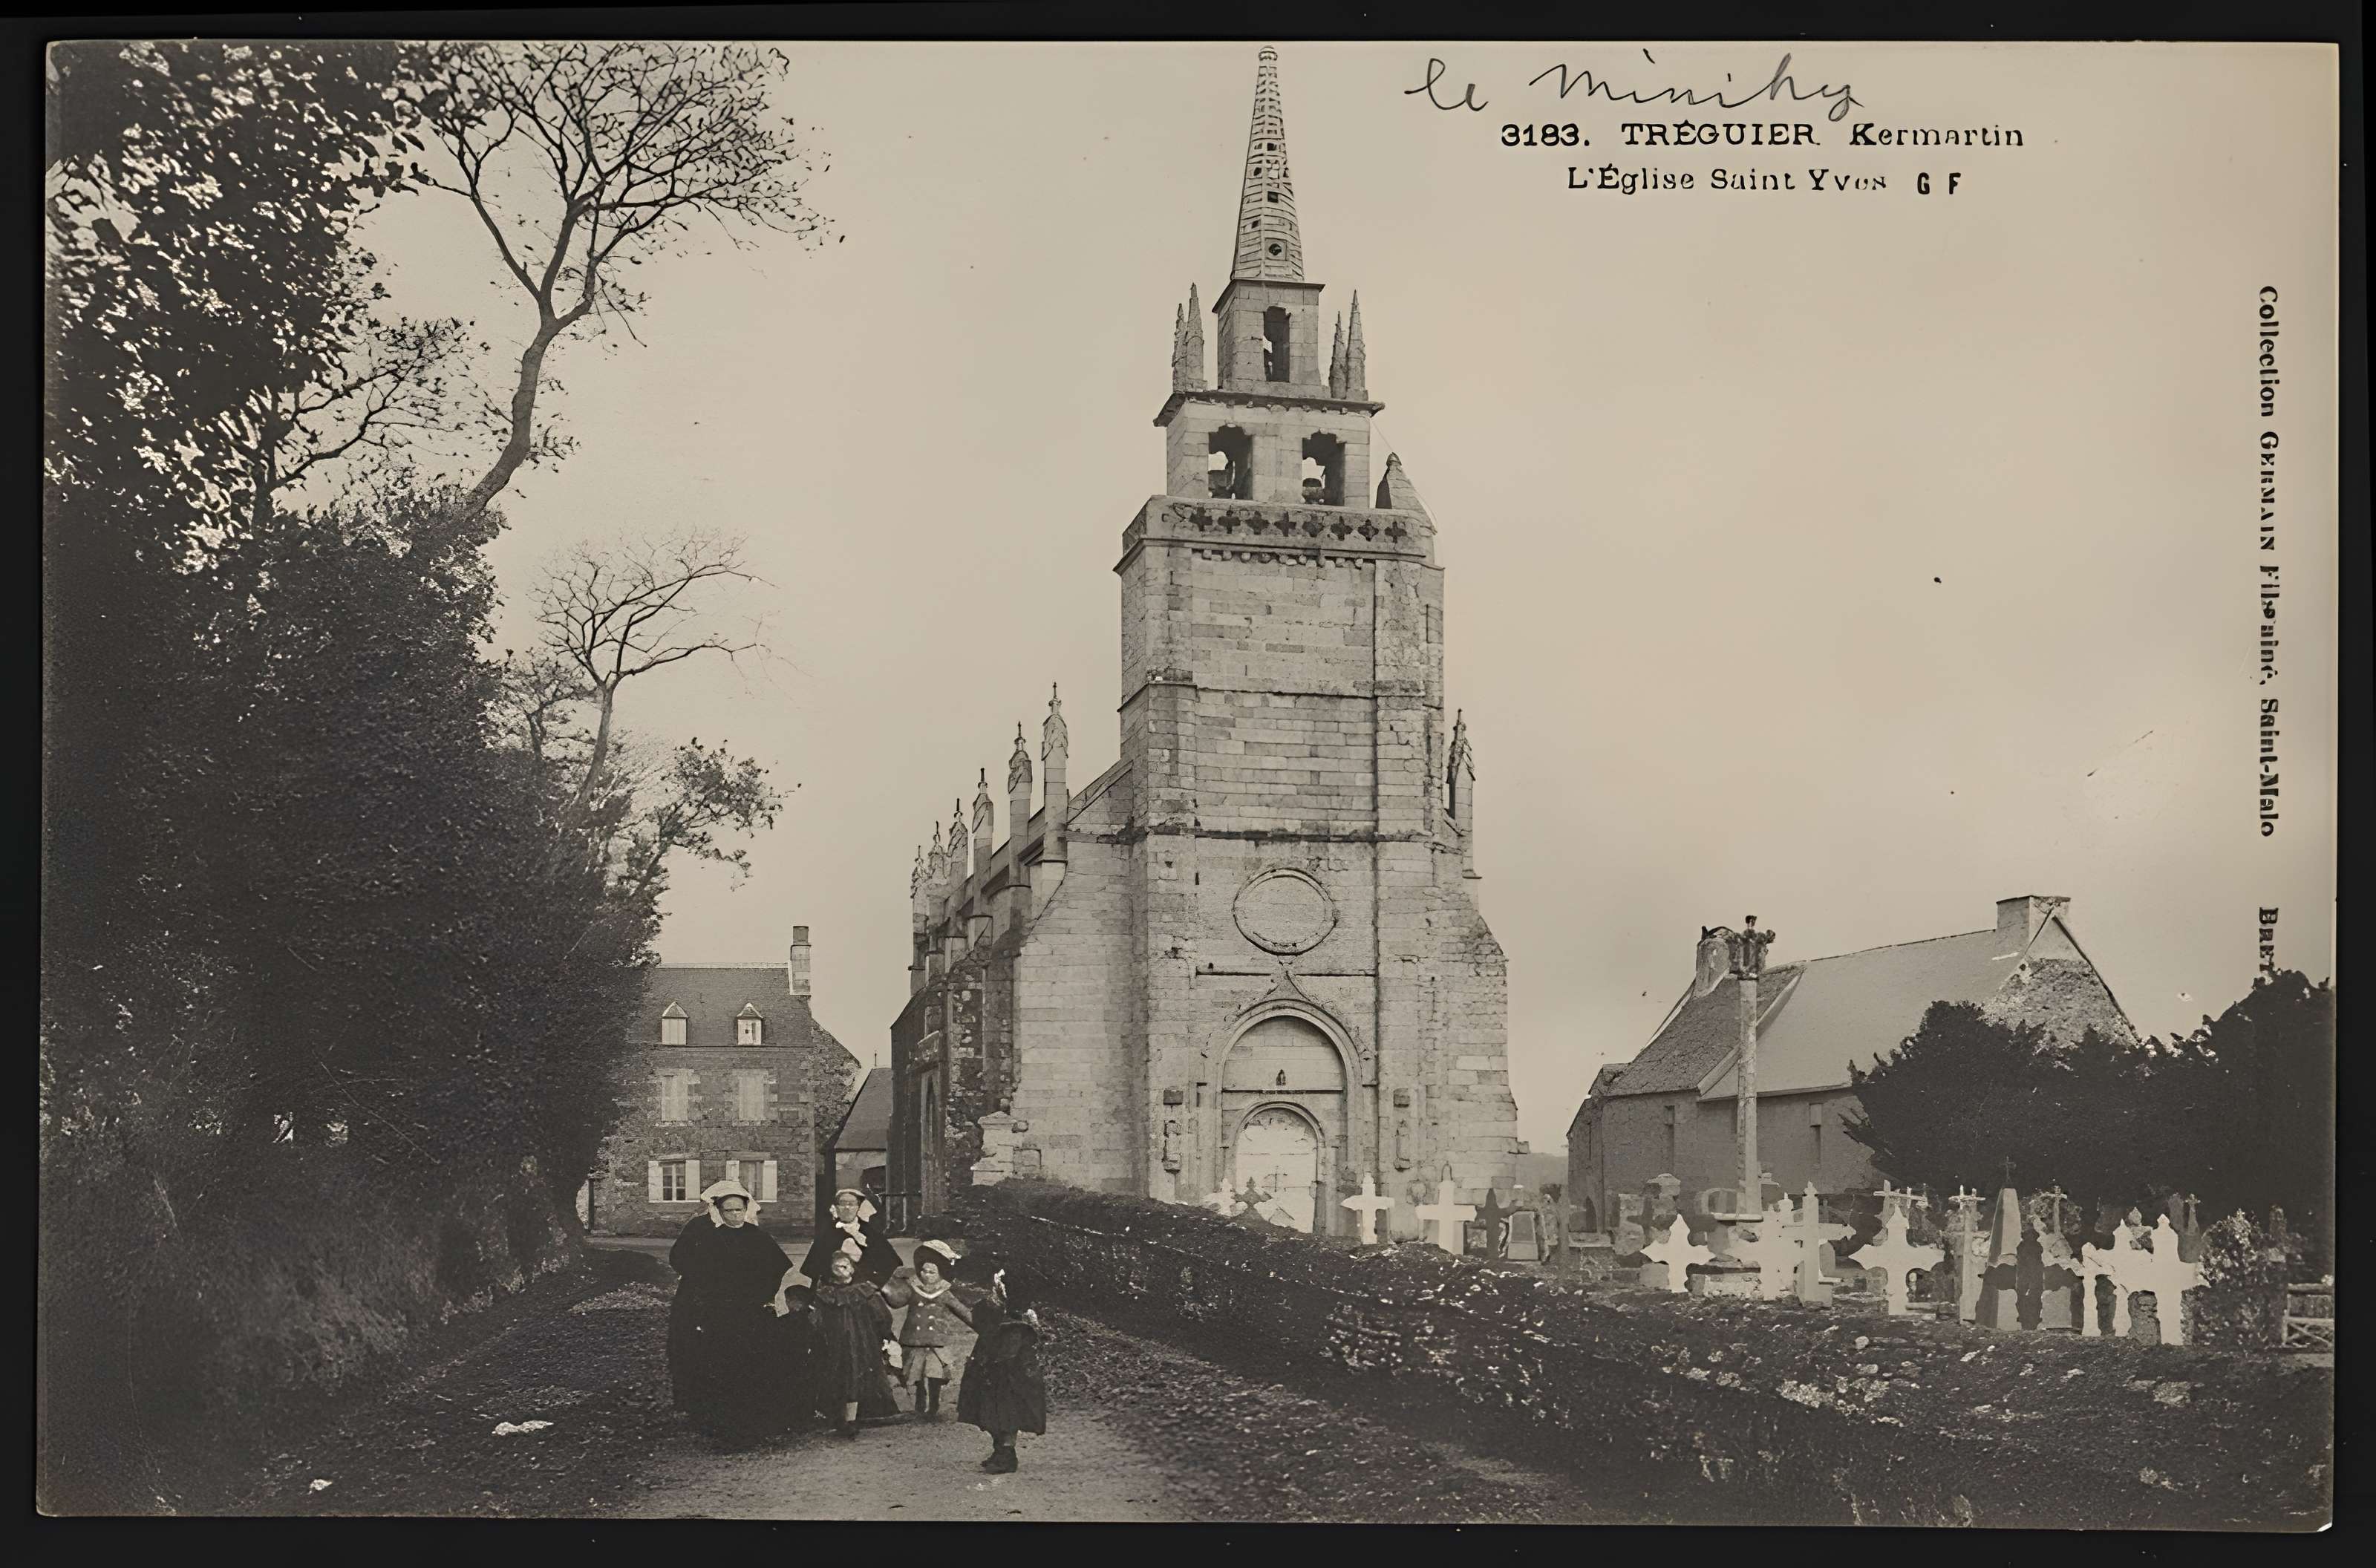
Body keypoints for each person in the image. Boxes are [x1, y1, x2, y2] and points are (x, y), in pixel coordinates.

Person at [666, 1180, 796, 1447]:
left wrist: (763, 1295)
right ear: (718, 1211)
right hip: (712, 1311)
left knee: (752, 1364)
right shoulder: (703, 1233)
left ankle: (755, 1422)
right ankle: (714, 1422)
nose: (736, 1216)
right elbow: (680, 1260)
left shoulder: (756, 1236)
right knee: (714, 1364)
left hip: (748, 1311)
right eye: (729, 1211)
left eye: (740, 1210)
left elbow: (777, 1267)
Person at [956, 1259, 1047, 1474]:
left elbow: (1009, 1351)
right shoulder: (999, 1314)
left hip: (1009, 1374)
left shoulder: (1015, 1323)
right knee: (992, 1411)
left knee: (1006, 1413)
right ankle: (1000, 1450)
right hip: (997, 1371)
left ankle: (1007, 1454)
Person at [807, 1250, 899, 1437]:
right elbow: (817, 1319)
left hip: (861, 1342)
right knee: (836, 1375)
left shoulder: (864, 1291)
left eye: (845, 1266)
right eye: (837, 1267)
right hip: (835, 1343)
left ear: (852, 1269)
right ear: (830, 1270)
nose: (841, 1270)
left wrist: (885, 1335)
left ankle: (852, 1419)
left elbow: (882, 1316)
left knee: (855, 1375)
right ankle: (838, 1416)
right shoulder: (826, 1294)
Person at [881, 1240, 968, 1419]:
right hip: (914, 1339)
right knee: (916, 1374)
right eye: (924, 1271)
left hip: (936, 1341)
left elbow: (962, 1311)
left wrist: (983, 1323)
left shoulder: (945, 1293)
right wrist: (885, 1287)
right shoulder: (913, 1289)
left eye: (932, 1272)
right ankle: (920, 1403)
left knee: (934, 1374)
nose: (927, 1275)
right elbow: (897, 1301)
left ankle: (934, 1404)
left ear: (940, 1274)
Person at [800, 1187, 904, 1286]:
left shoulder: (871, 1232)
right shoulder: (826, 1233)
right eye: (843, 1204)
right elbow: (812, 1269)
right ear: (837, 1208)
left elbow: (891, 1263)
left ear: (858, 1208)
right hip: (832, 1287)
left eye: (852, 1204)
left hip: (866, 1288)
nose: (847, 1208)